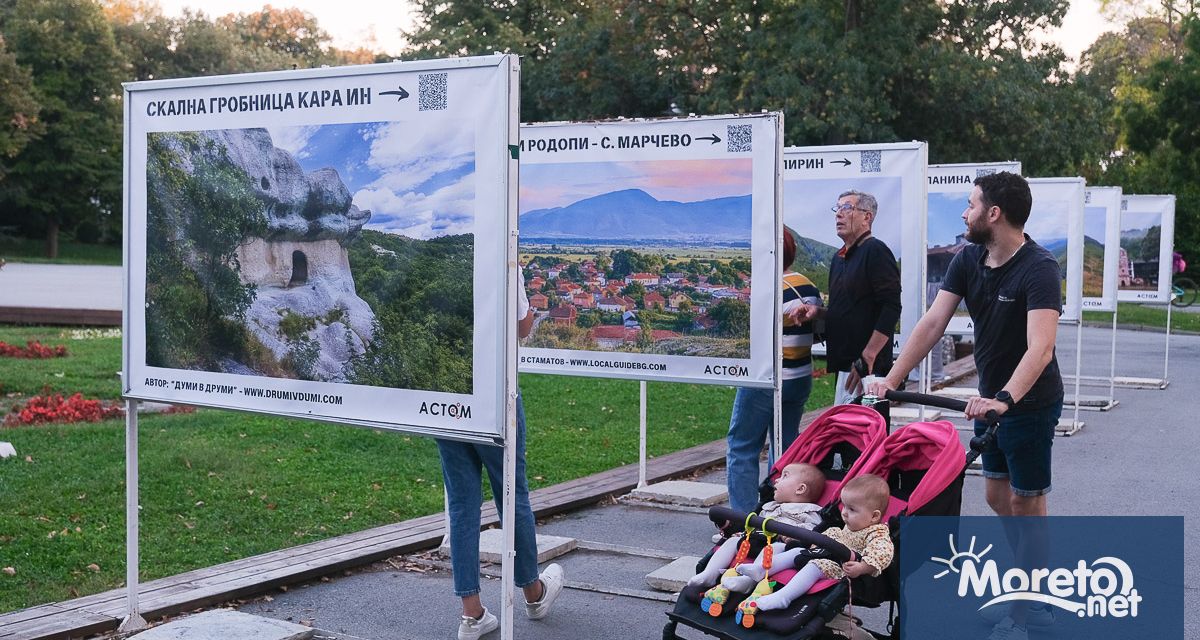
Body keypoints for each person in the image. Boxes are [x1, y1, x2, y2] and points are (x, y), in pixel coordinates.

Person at [867, 171, 1062, 640]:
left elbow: (1041, 349)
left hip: (1028, 404)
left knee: (1026, 502)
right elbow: (934, 322)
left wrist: (1005, 399)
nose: (964, 212)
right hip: (989, 403)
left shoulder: (1039, 268)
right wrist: (891, 380)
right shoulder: (969, 259)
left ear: (993, 214)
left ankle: (1030, 608)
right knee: (998, 497)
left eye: (971, 204)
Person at [436, 268, 563, 640]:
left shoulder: (442, 253)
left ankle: (471, 614)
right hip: (494, 391)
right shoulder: (503, 255)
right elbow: (522, 329)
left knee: (461, 505)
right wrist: (532, 312)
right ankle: (533, 593)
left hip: (445, 390)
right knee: (511, 495)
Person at [725, 228, 824, 513]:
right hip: (800, 376)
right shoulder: (807, 285)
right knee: (786, 445)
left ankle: (742, 520)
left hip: (767, 379)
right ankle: (779, 511)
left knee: (742, 446)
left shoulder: (767, 288)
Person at [789, 190, 900, 413]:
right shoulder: (839, 258)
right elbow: (848, 309)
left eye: (847, 208)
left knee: (866, 440)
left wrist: (868, 354)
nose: (839, 214)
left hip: (869, 371)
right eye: (837, 208)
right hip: (846, 365)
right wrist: (817, 312)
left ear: (867, 217)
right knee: (844, 438)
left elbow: (891, 306)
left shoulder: (876, 251)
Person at [734, 474, 894, 625]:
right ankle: (761, 570)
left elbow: (882, 553)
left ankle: (784, 597)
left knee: (814, 567)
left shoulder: (877, 533)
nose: (844, 513)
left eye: (852, 509)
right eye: (844, 506)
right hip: (828, 552)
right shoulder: (854, 524)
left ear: (874, 516)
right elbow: (836, 535)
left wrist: (862, 567)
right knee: (793, 551)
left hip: (840, 566)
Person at [690, 463, 827, 614]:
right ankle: (710, 573)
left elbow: (812, 532)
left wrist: (793, 536)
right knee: (731, 542)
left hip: (777, 545)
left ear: (800, 489)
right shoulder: (771, 506)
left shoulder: (809, 512)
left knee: (775, 548)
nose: (776, 480)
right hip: (756, 539)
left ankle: (748, 581)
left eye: (785, 476)